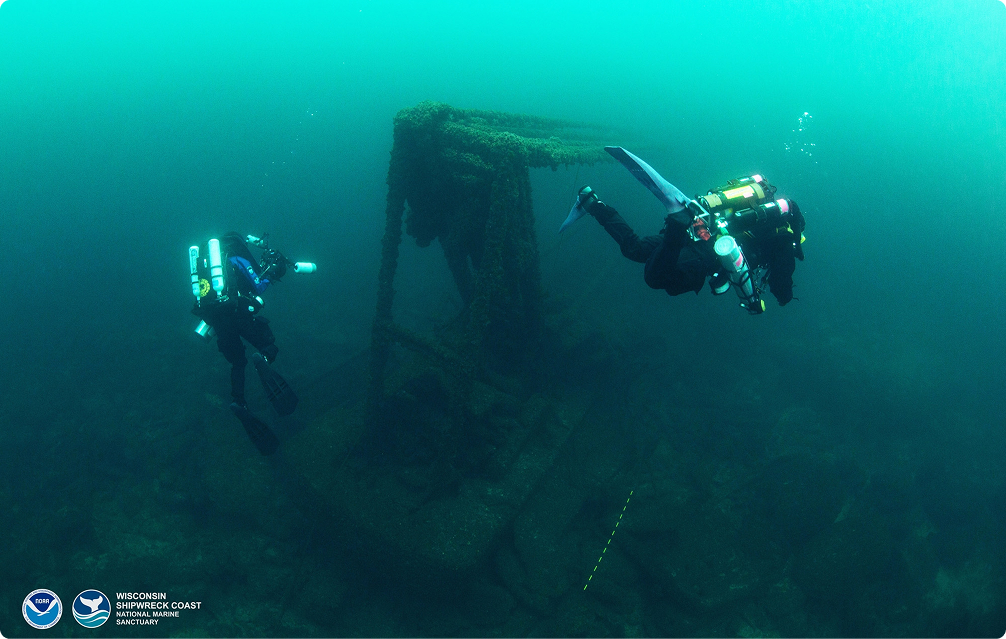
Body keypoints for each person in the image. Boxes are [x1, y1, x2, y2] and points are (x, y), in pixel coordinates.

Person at [563, 147, 805, 314]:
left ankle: (591, 203)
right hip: (709, 251)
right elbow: (781, 288)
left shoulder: (755, 207)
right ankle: (676, 224)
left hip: (698, 227)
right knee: (655, 278)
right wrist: (780, 299)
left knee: (634, 249)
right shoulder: (784, 239)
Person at [190, 232, 312, 454]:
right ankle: (263, 359)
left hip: (216, 321)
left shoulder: (203, 266)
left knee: (237, 363)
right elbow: (258, 285)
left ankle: (239, 402)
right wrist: (272, 271)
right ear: (235, 244)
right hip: (238, 314)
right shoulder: (235, 256)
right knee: (268, 345)